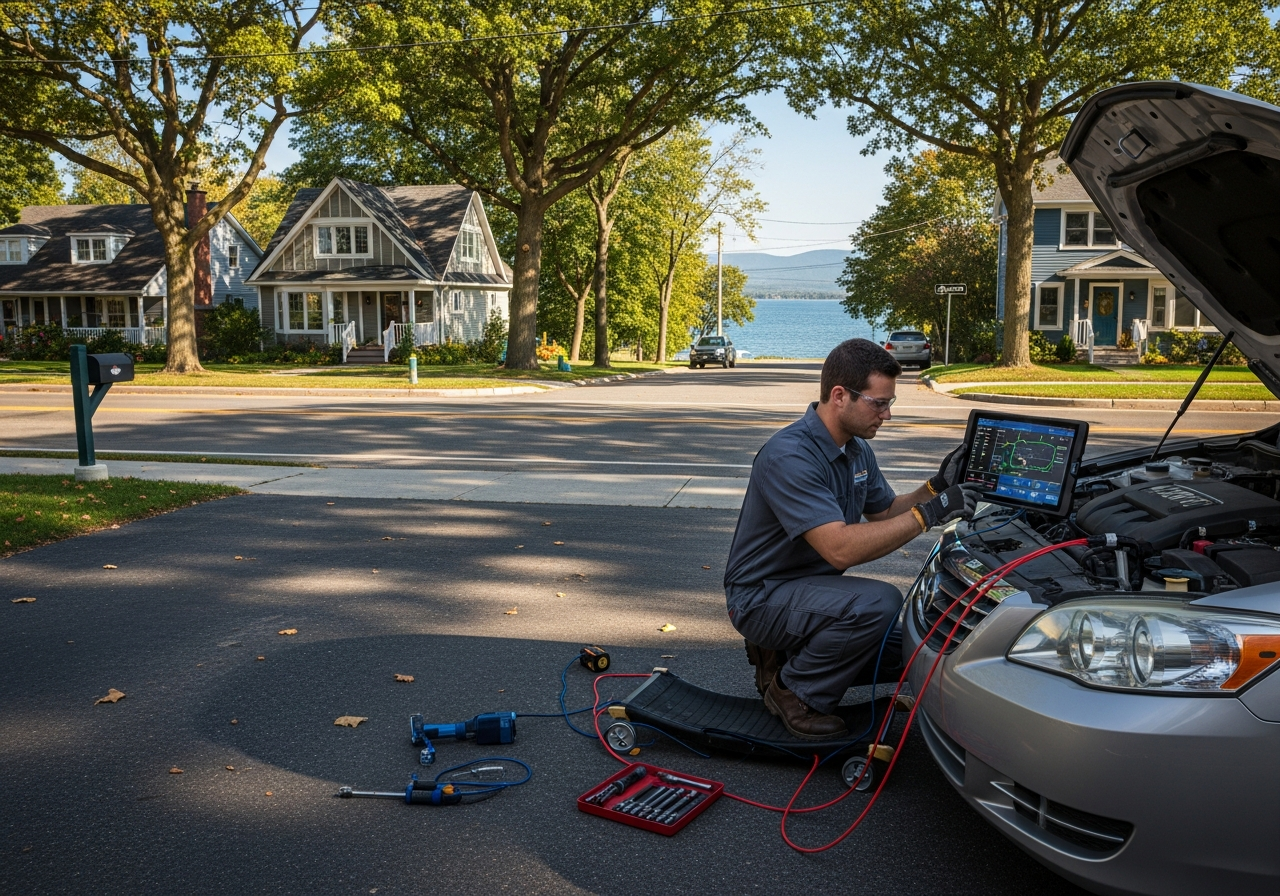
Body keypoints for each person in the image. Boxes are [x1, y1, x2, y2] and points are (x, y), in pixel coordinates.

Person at [723, 338, 978, 740]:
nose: (887, 415)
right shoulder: (789, 456)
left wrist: (936, 488)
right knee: (879, 602)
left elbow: (886, 511)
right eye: (879, 403)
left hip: (810, 592)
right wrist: (932, 514)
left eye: (889, 403)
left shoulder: (856, 450)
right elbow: (839, 547)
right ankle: (793, 694)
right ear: (839, 396)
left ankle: (784, 657)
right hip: (760, 597)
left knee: (911, 648)